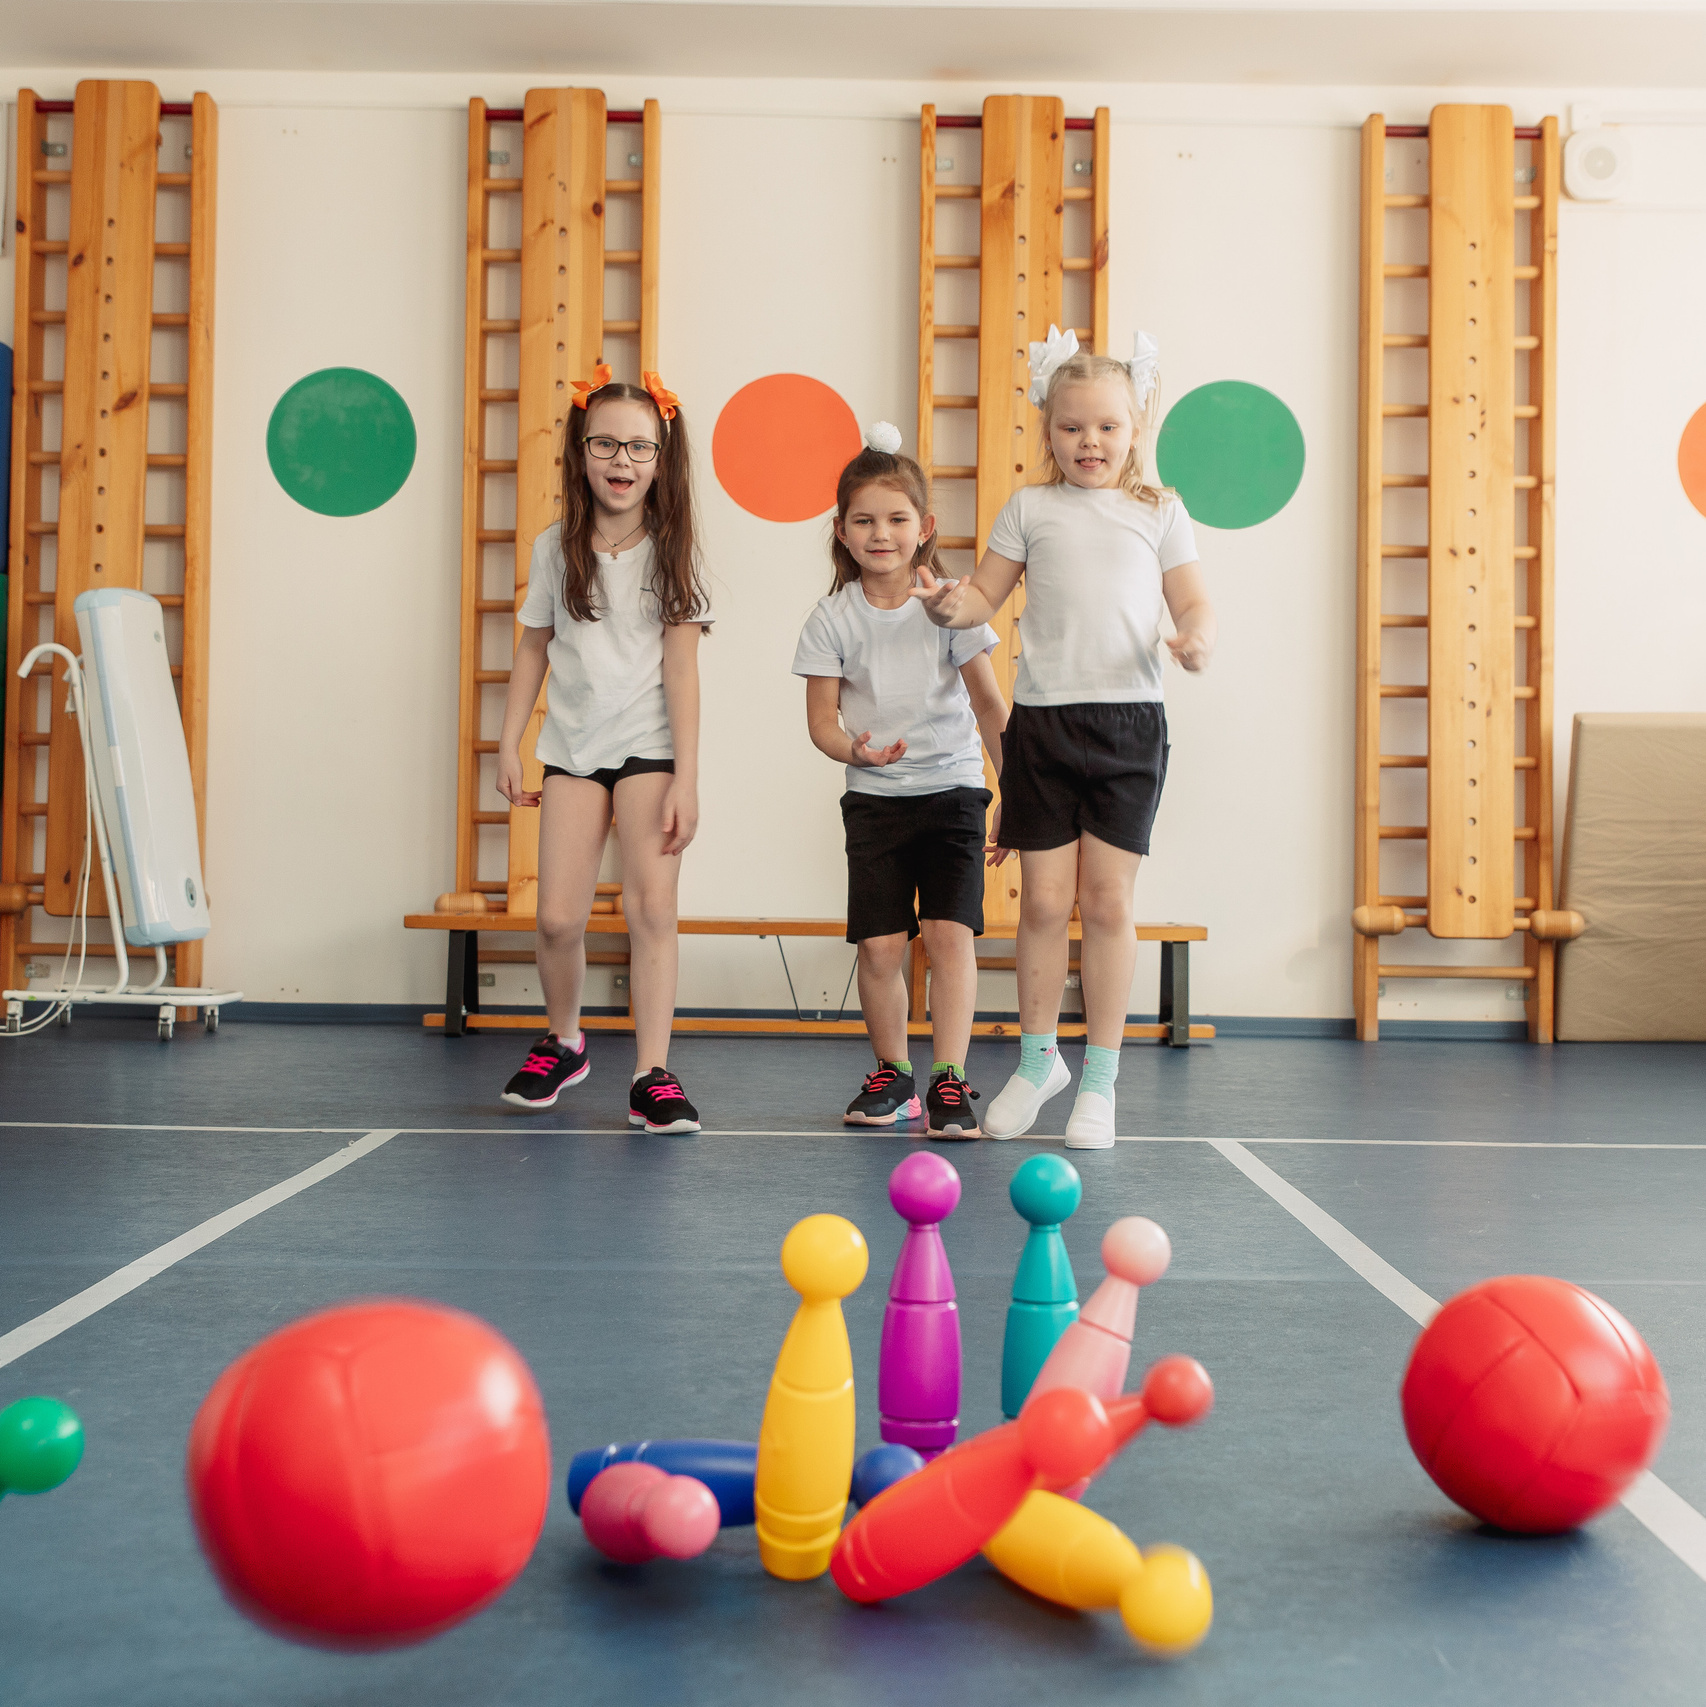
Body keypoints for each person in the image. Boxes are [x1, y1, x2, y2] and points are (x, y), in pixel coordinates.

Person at [912, 332, 1217, 1148]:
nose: (1090, 442)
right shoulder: (1029, 509)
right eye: (1073, 427)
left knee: (1108, 901)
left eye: (1108, 427)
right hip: (1043, 725)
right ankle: (1039, 1059)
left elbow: (1193, 602)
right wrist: (946, 604)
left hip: (1128, 726)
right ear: (1048, 430)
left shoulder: (1160, 510)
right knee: (1044, 902)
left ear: (1134, 428)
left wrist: (1196, 639)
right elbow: (982, 596)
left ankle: (1102, 1081)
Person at [495, 369, 713, 1131]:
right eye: (606, 444)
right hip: (573, 748)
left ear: (661, 456)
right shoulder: (555, 548)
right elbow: (533, 648)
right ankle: (565, 1040)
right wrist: (509, 740)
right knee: (557, 918)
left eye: (639, 446)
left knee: (652, 909)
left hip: (649, 745)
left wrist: (687, 777)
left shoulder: (677, 549)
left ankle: (652, 1072)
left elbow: (682, 671)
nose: (622, 459)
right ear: (580, 451)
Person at [794, 425, 1009, 1138]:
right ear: (841, 531)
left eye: (895, 518)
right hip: (875, 802)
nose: (880, 533)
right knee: (880, 947)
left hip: (953, 793)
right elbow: (821, 723)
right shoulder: (831, 618)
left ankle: (950, 1075)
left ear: (925, 527)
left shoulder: (952, 606)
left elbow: (989, 706)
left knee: (949, 935)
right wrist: (853, 749)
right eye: (864, 520)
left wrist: (1014, 791)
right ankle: (894, 1072)